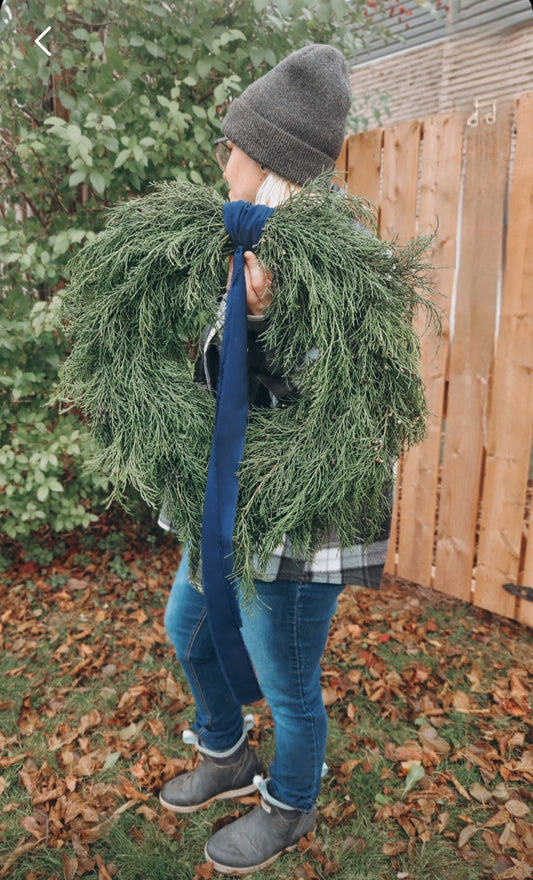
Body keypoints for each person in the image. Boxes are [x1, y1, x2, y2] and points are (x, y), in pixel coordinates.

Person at [158, 44, 392, 875]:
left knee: (286, 677)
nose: (222, 157)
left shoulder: (329, 262)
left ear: (263, 159)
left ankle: (290, 802)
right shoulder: (254, 240)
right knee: (186, 626)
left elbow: (332, 407)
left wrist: (264, 328)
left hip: (298, 518)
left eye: (233, 144)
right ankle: (226, 752)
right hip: (230, 498)